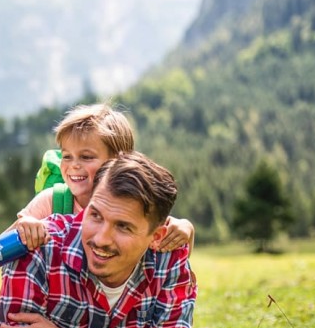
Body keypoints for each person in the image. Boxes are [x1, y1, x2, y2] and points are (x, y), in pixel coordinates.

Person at [0, 152, 198, 328]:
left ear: (156, 237)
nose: (101, 239)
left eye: (123, 227)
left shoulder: (169, 258)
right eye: (95, 216)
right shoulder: (37, 247)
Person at [14, 103, 195, 254]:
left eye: (86, 157)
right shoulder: (52, 201)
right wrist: (24, 227)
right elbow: (0, 248)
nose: (74, 165)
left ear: (118, 161)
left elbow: (170, 242)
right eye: (67, 156)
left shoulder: (133, 204)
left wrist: (186, 228)